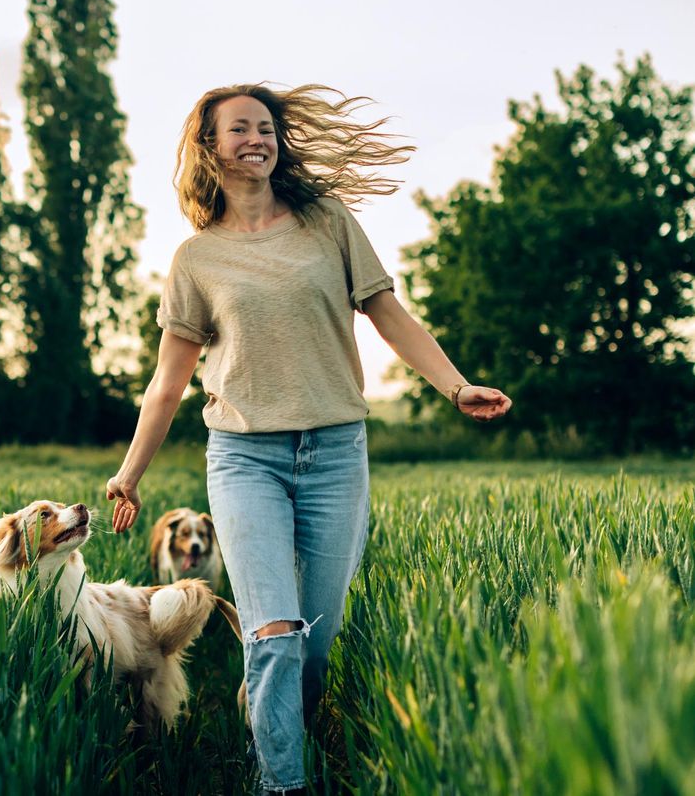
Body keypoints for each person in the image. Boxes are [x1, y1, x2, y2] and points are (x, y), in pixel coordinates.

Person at [105, 83, 511, 794]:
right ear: (210, 146)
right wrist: (130, 475)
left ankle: (269, 713)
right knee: (274, 632)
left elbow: (390, 315)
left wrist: (454, 385)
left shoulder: (328, 223)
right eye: (239, 129)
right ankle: (280, 783)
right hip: (244, 456)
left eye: (266, 127)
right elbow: (167, 384)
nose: (257, 138)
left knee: (313, 642)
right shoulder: (196, 259)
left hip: (334, 452)